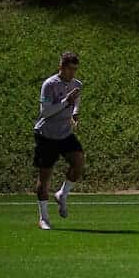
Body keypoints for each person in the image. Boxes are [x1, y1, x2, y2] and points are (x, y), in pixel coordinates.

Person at [34, 51, 84, 230]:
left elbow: (77, 100)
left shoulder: (77, 84)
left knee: (78, 162)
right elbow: (45, 112)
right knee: (45, 176)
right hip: (46, 135)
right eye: (70, 69)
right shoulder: (49, 84)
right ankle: (44, 218)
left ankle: (62, 193)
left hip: (65, 134)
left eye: (75, 69)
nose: (73, 73)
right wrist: (65, 101)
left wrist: (75, 112)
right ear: (61, 67)